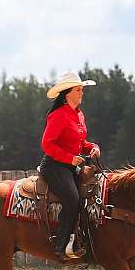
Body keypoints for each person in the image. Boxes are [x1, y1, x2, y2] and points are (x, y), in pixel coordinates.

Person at [39, 72, 101, 259]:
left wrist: (94, 147)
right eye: (78, 90)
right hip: (54, 166)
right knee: (72, 198)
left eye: (82, 89)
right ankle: (60, 245)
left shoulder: (79, 115)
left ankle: (78, 240)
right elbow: (47, 145)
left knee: (89, 194)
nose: (82, 93)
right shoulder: (58, 115)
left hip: (70, 166)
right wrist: (70, 159)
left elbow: (81, 143)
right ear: (67, 93)